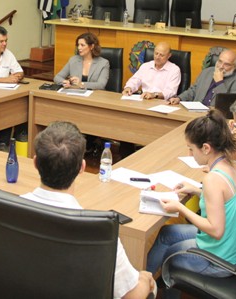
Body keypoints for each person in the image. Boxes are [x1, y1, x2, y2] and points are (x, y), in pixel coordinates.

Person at [22, 121, 156, 299]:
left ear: (35, 163)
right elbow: (131, 297)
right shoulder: (99, 230)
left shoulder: (5, 208)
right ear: (82, 168)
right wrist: (146, 281)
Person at [146, 110, 236, 298]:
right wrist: (197, 190)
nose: (189, 153)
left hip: (222, 260)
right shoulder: (234, 165)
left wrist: (180, 208)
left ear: (205, 148)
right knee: (167, 234)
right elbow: (226, 201)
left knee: (171, 256)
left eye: (191, 149)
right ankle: (142, 282)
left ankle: (147, 287)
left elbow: (215, 229)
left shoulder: (213, 179)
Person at [168, 49, 236, 106]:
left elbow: (229, 106)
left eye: (226, 64)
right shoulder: (207, 72)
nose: (221, 66)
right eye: (220, 61)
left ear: (234, 66)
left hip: (217, 119)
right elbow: (193, 90)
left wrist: (219, 83)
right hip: (195, 114)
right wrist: (179, 98)